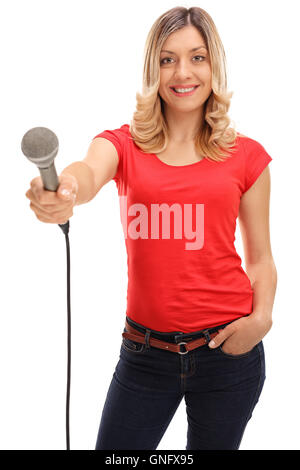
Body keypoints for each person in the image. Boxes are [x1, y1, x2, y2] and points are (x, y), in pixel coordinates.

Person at [25, 6, 277, 450]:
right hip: (144, 356)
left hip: (228, 353)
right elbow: (86, 173)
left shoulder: (247, 157)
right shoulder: (122, 144)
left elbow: (260, 258)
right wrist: (63, 189)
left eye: (197, 57)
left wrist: (260, 319)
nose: (183, 72)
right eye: (167, 59)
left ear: (214, 64)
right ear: (151, 69)